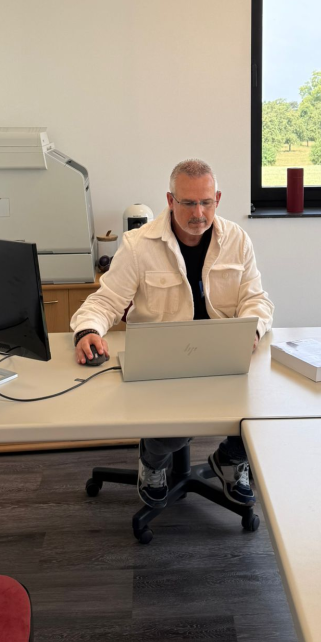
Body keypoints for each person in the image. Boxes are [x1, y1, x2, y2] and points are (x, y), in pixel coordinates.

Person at [71, 159, 274, 510]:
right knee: (176, 426)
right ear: (170, 200)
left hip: (221, 357)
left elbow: (256, 299)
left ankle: (229, 458)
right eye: (188, 203)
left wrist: (252, 329)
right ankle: (151, 462)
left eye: (206, 202)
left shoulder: (236, 239)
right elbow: (106, 301)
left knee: (272, 403)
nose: (199, 213)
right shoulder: (138, 245)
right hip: (164, 365)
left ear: (218, 199)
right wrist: (87, 330)